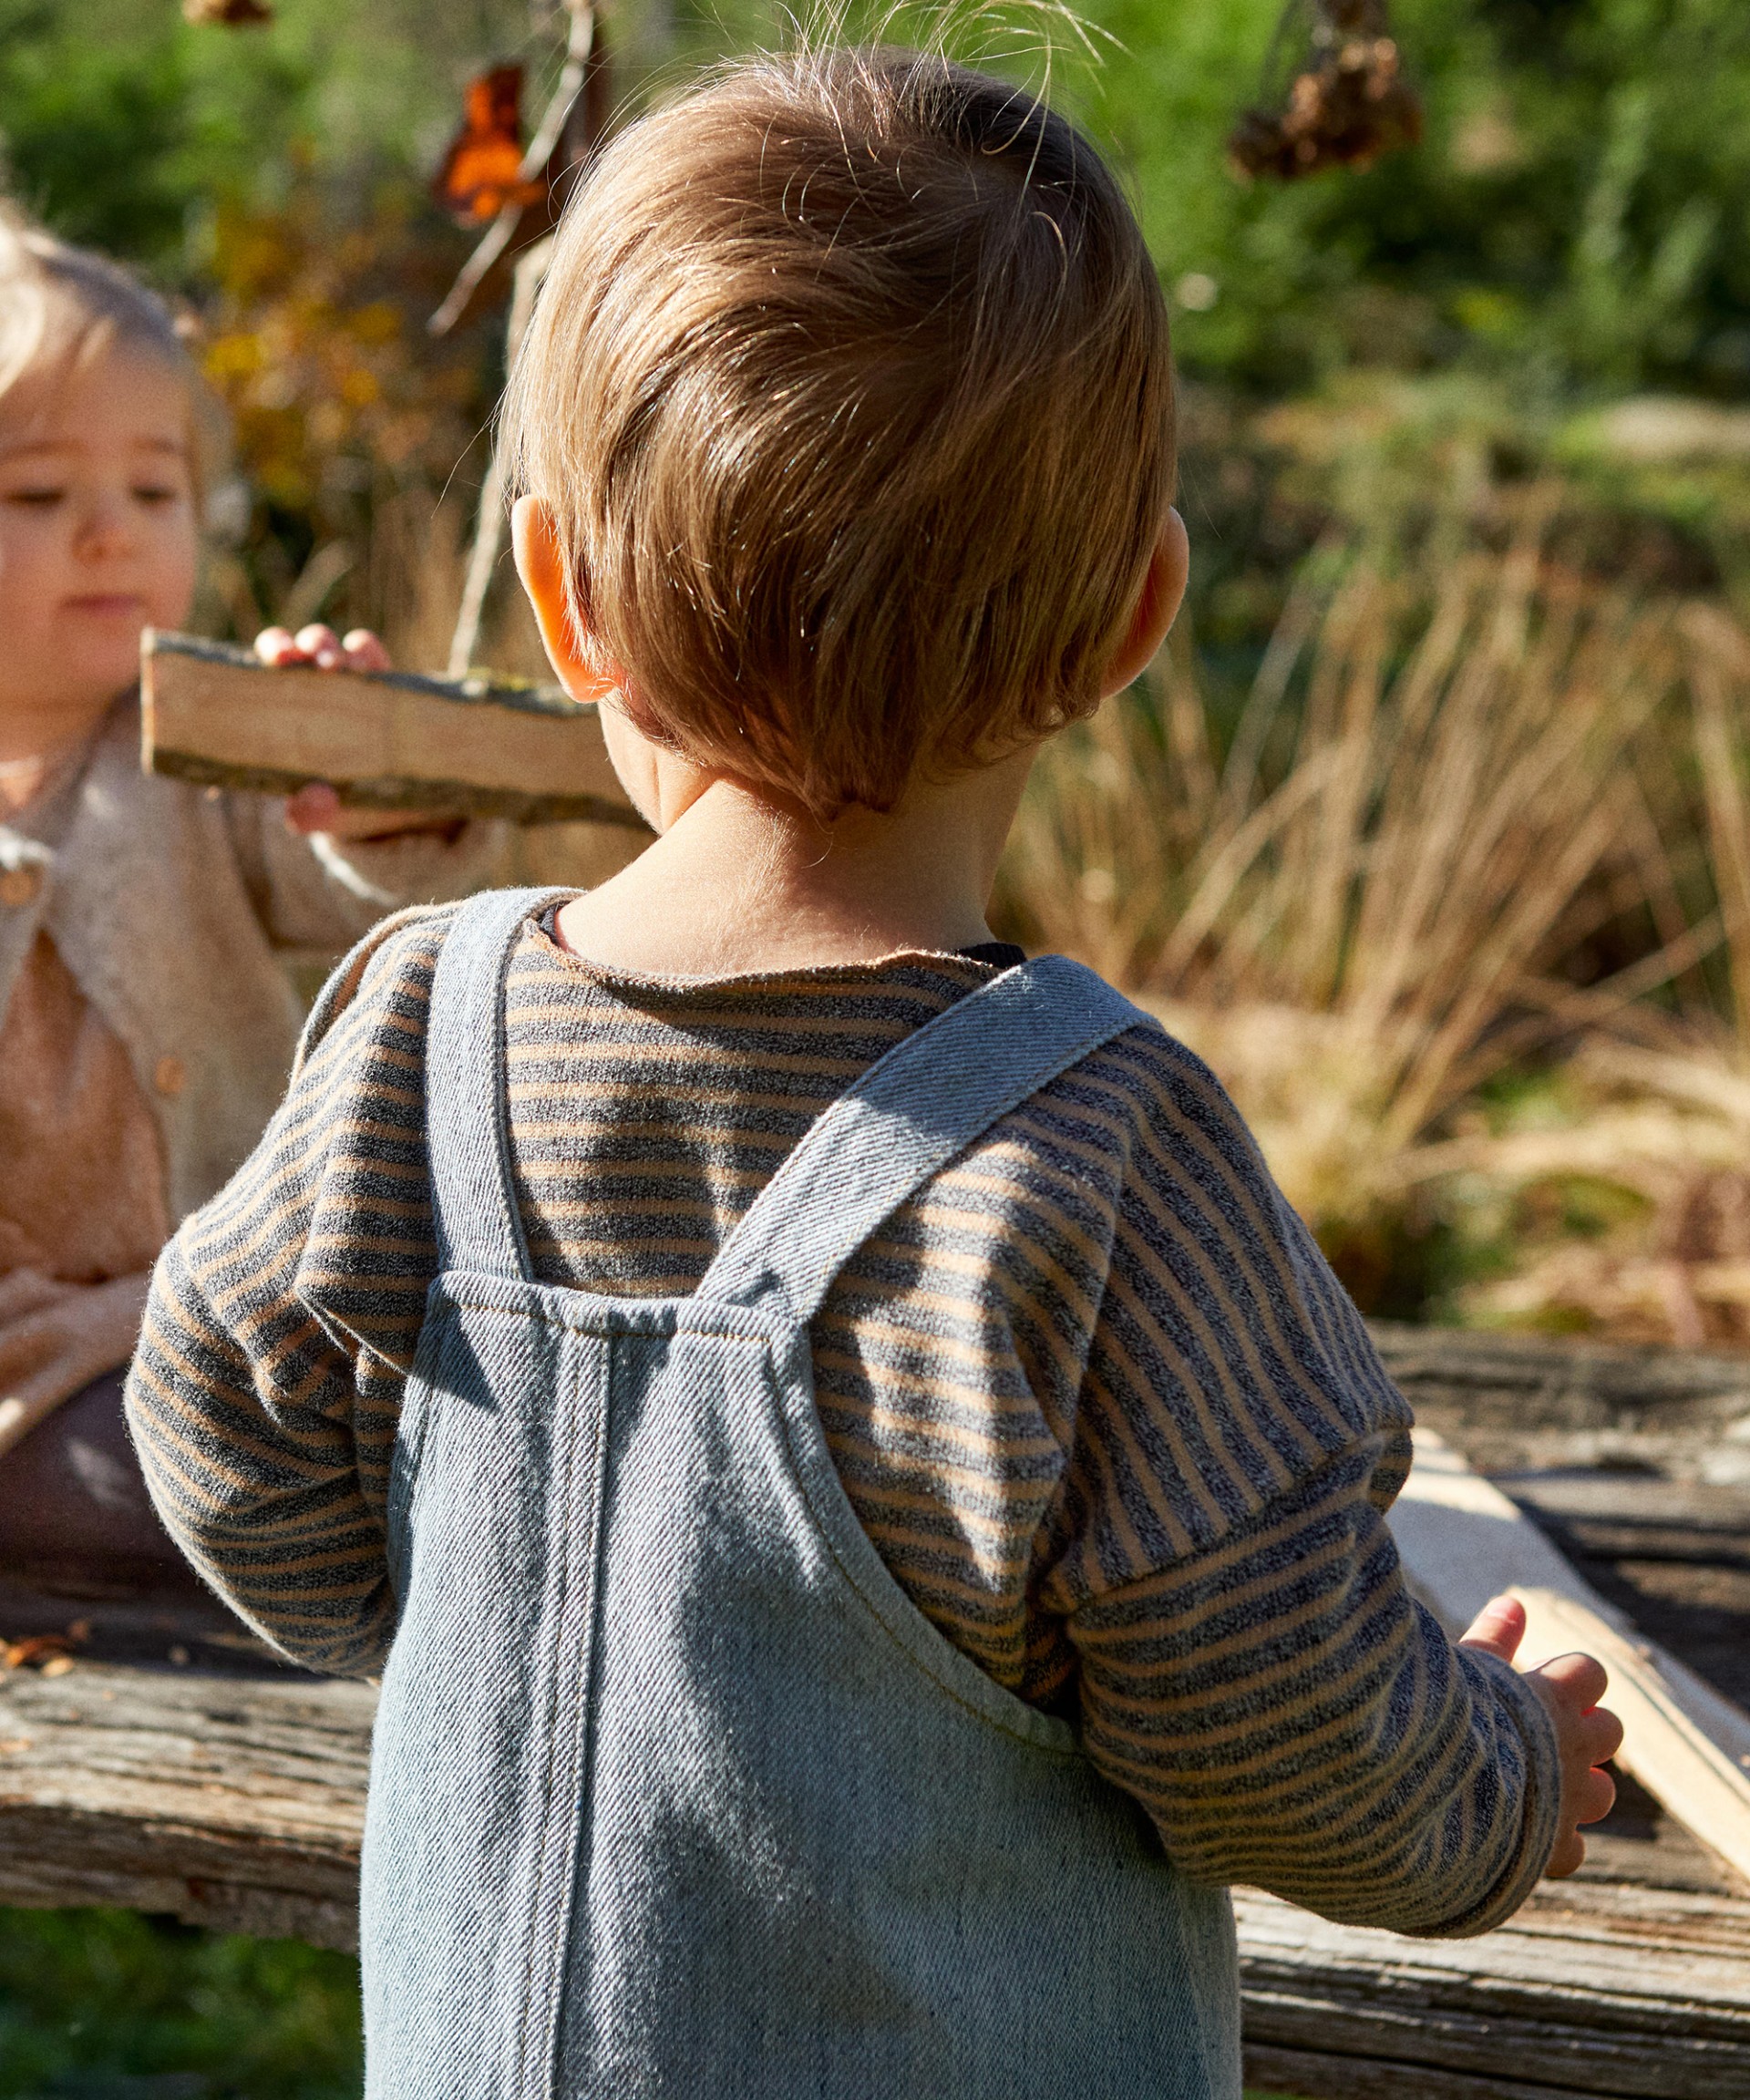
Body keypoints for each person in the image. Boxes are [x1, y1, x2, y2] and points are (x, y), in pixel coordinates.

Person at [127, 45, 1620, 2098]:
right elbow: (1286, 1736)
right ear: (1137, 617)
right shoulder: (1096, 1161)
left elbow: (216, 1429)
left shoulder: (418, 1037)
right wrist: (1504, 1766)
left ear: (562, 599)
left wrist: (500, 1622)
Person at [0, 207, 503, 1595]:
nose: (109, 533)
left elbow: (341, 889)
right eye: (36, 496)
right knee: (163, 1484)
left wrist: (370, 790)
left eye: (153, 492)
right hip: (38, 1373)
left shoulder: (206, 746)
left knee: (426, 1420)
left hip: (241, 1325)